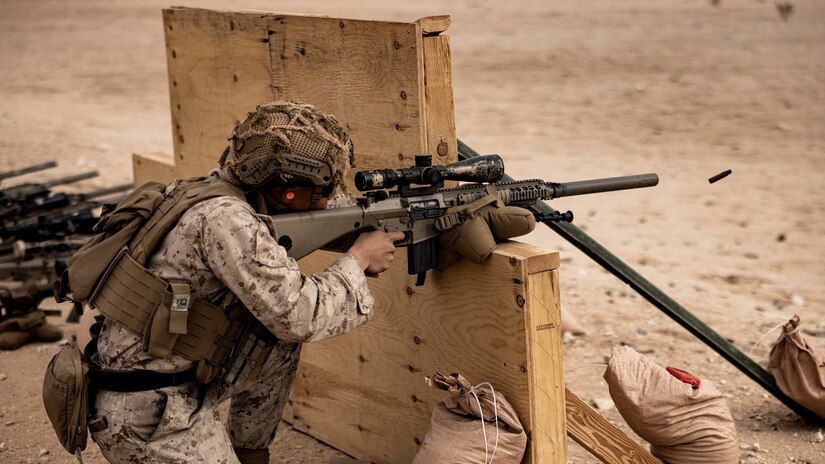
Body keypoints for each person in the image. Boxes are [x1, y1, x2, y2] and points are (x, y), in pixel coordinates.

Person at [87, 101, 404, 463]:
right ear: (288, 189)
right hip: (147, 413)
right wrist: (359, 257)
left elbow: (323, 214)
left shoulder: (214, 192)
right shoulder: (227, 220)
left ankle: (248, 455)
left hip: (168, 378)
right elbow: (299, 315)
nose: (328, 196)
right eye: (322, 187)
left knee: (273, 339)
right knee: (284, 320)